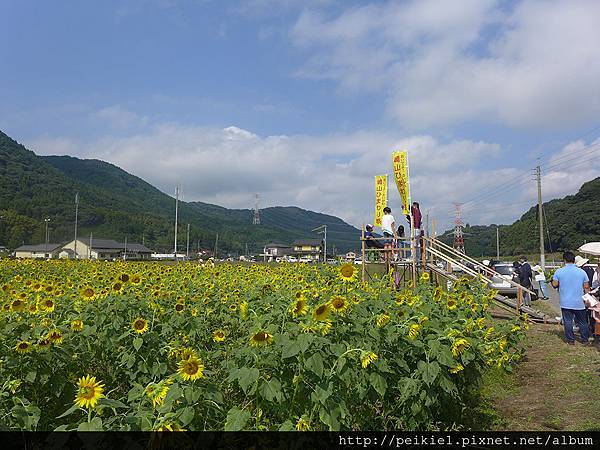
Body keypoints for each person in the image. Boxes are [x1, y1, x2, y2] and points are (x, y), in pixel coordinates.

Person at [551, 251, 591, 345]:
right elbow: (586, 287)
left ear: (564, 260)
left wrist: (551, 281)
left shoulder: (559, 271)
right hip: (579, 302)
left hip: (565, 301)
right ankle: (584, 339)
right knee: (582, 322)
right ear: (574, 260)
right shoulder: (582, 272)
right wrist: (588, 299)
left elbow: (555, 284)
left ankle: (570, 340)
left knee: (568, 321)